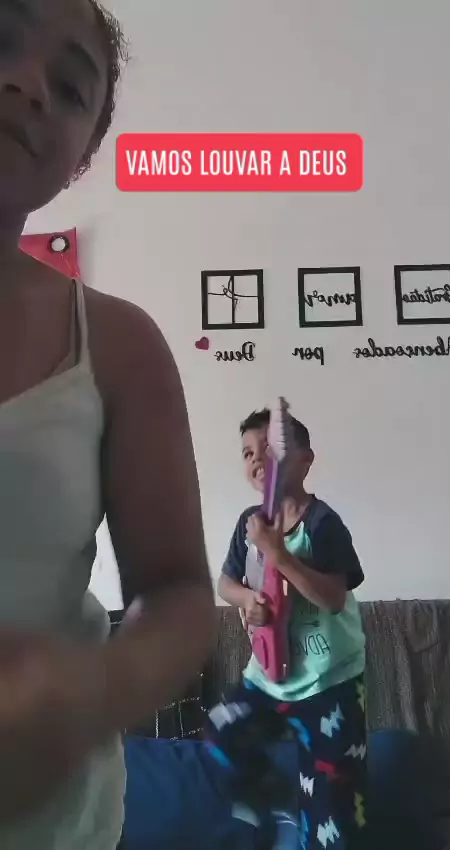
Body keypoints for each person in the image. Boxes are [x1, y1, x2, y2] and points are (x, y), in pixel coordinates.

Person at [0, 0, 215, 847]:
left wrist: (88, 695)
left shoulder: (118, 345)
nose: (29, 85)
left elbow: (181, 594)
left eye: (70, 87)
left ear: (82, 155)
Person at [205, 409, 367, 850]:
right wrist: (247, 601)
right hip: (269, 679)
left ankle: (312, 821)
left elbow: (334, 598)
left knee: (332, 822)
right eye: (247, 453)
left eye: (269, 448)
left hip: (328, 683)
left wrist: (279, 555)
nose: (257, 458)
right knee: (222, 731)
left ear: (304, 461)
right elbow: (225, 584)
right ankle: (278, 803)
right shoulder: (250, 524)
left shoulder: (322, 524)